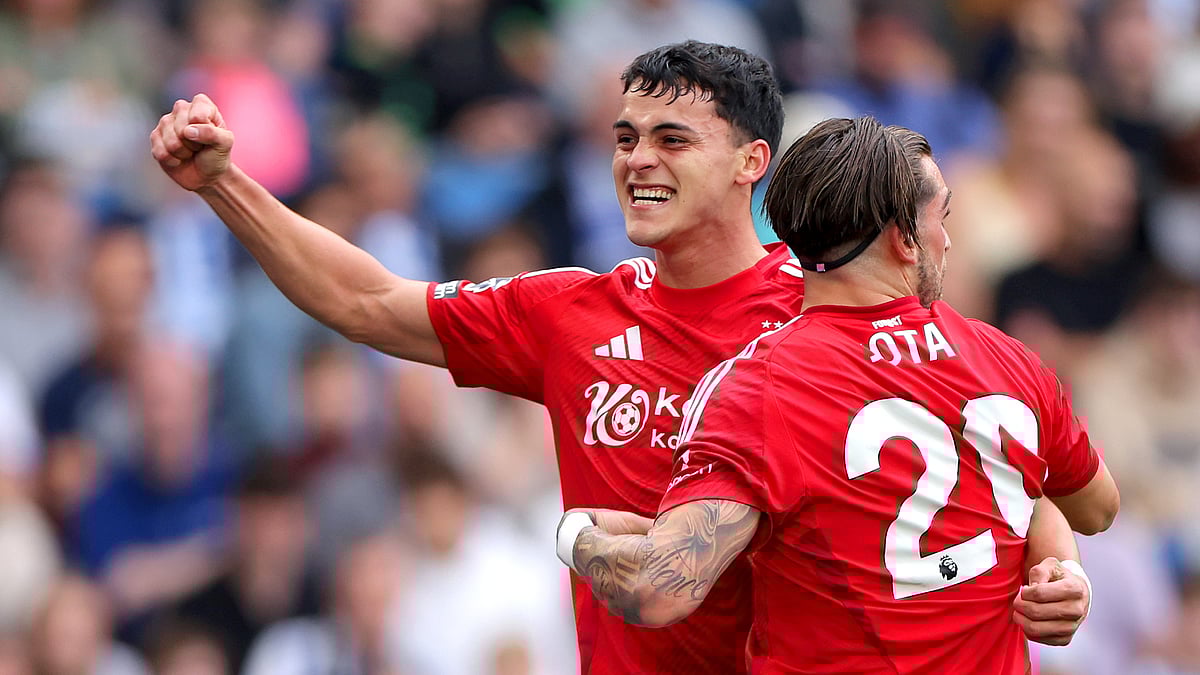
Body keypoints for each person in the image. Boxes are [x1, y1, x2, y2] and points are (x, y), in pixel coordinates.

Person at [151, 41, 1094, 674]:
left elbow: (993, 455)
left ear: (751, 161)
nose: (638, 159)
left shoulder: (822, 312)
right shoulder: (569, 312)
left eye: (672, 138)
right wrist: (226, 185)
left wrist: (1056, 569)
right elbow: (363, 299)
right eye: (625, 138)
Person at [558, 117, 1120, 673]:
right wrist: (1067, 572)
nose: (947, 238)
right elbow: (1093, 506)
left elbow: (661, 588)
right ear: (903, 238)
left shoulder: (759, 385)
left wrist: (574, 536)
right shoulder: (1004, 358)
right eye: (940, 217)